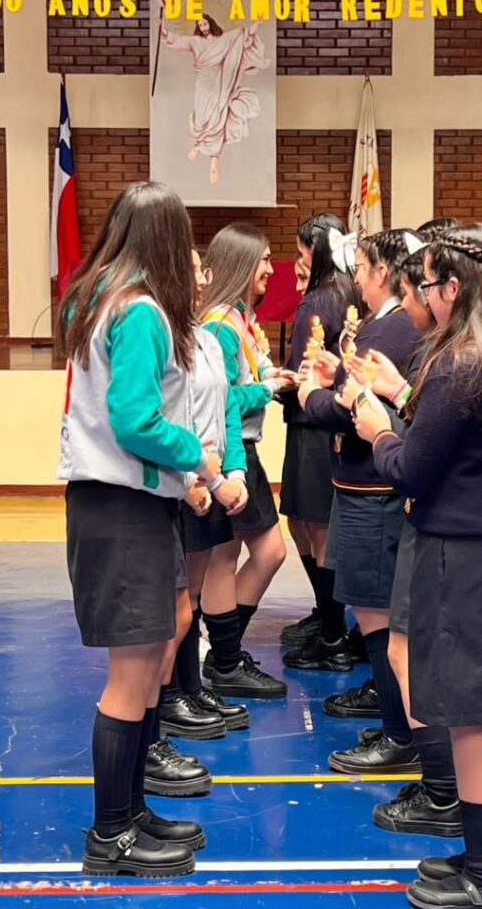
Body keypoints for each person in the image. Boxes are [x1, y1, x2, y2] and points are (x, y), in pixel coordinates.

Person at [352, 227, 482, 909]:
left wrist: (380, 430)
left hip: (466, 555)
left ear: (455, 288)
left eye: (430, 284)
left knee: (471, 717)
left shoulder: (458, 364)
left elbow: (412, 469)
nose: (424, 295)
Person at [57, 181, 223, 878]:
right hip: (121, 509)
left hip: (119, 506)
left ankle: (131, 812)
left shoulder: (99, 300)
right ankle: (112, 835)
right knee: (131, 676)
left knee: (150, 663)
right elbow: (134, 420)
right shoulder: (141, 311)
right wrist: (197, 456)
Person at [297, 230, 423, 774]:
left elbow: (358, 408)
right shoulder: (388, 325)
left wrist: (313, 397)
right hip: (368, 484)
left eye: (362, 269)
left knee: (378, 617)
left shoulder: (390, 328)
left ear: (381, 273)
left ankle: (400, 735)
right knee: (377, 616)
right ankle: (397, 723)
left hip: (374, 487)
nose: (356, 279)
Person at [157, 250, 252, 744]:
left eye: (202, 268)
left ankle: (191, 690)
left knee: (190, 598)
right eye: (193, 268)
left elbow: (227, 407)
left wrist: (234, 471)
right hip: (185, 482)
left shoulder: (207, 339)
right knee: (177, 603)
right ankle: (170, 695)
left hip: (211, 477)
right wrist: (194, 479)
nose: (202, 277)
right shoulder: (164, 338)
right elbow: (166, 418)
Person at [199, 223, 296, 699]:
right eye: (264, 260)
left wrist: (273, 376)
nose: (270, 270)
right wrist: (269, 388)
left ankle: (225, 653)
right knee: (231, 555)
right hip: (230, 452)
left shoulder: (240, 318)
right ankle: (223, 658)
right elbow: (221, 399)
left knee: (253, 553)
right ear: (240, 264)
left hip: (244, 450)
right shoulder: (219, 326)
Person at [279, 213, 360, 651]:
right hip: (332, 420)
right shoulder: (348, 292)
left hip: (312, 423)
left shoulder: (317, 300)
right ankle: (327, 614)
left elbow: (302, 369)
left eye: (302, 252)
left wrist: (272, 384)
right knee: (305, 522)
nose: (298, 262)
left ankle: (331, 632)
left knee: (317, 528)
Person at [160, 15, 270, 184]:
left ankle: (214, 164)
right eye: (200, 25)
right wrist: (163, 30)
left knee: (218, 118)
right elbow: (178, 41)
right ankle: (199, 144)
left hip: (219, 85)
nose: (203, 27)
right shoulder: (195, 41)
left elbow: (244, 35)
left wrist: (258, 24)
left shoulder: (223, 39)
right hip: (203, 85)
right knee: (201, 119)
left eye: (205, 23)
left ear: (210, 23)